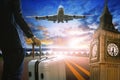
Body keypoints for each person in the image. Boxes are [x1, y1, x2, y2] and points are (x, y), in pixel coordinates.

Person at [0, 0, 41, 80]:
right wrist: (32, 36)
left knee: (7, 75)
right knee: (14, 76)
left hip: (4, 44)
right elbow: (18, 16)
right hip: (16, 42)